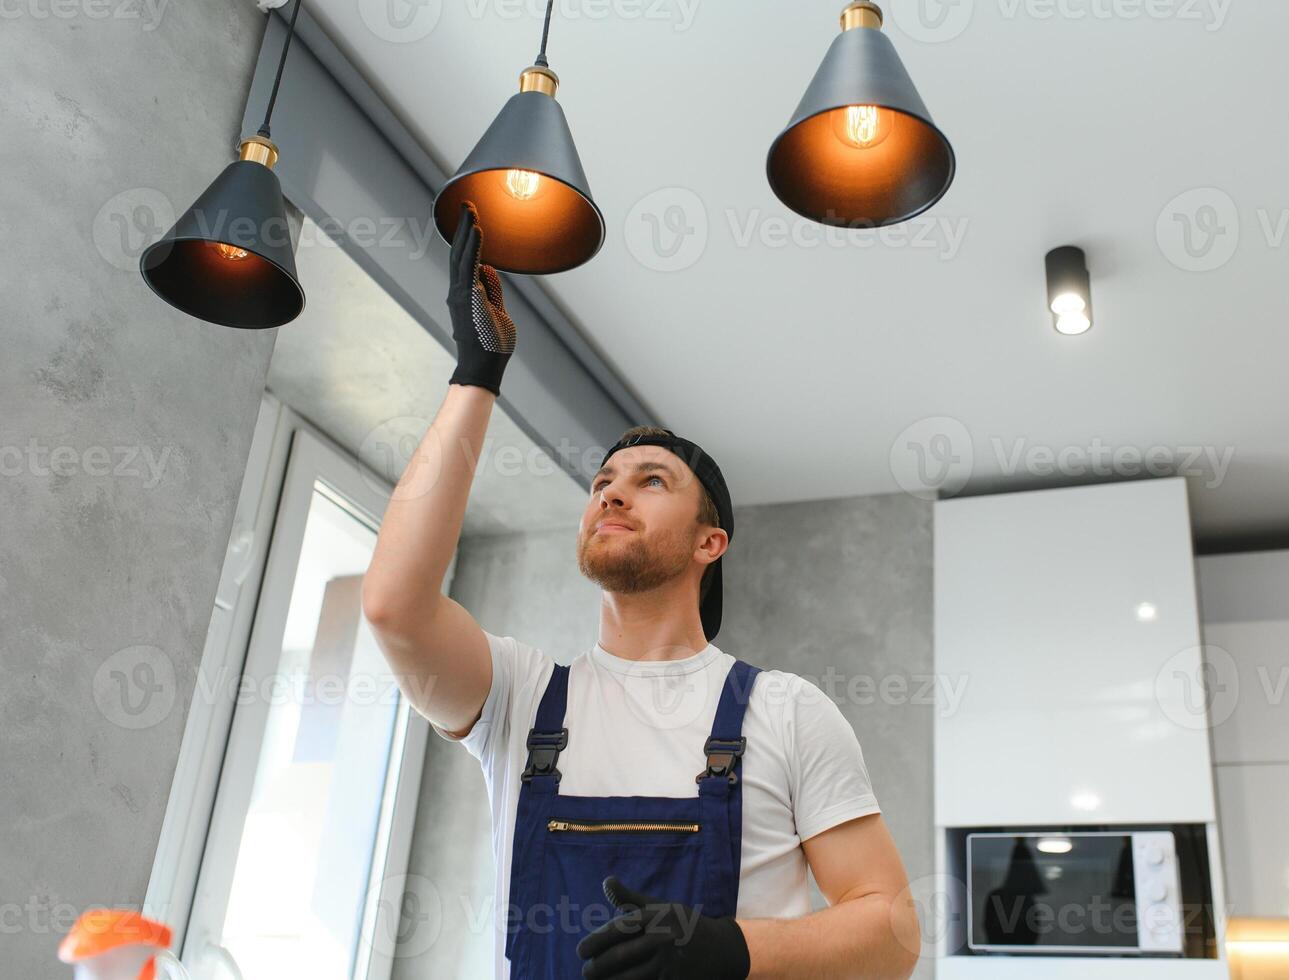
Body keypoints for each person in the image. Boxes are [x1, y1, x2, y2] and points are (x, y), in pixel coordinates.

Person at [362, 205, 920, 979]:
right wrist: (476, 373)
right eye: (602, 484)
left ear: (708, 542)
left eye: (650, 481)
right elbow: (394, 606)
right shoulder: (521, 702)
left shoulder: (784, 713)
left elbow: (892, 934)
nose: (612, 495)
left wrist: (733, 947)